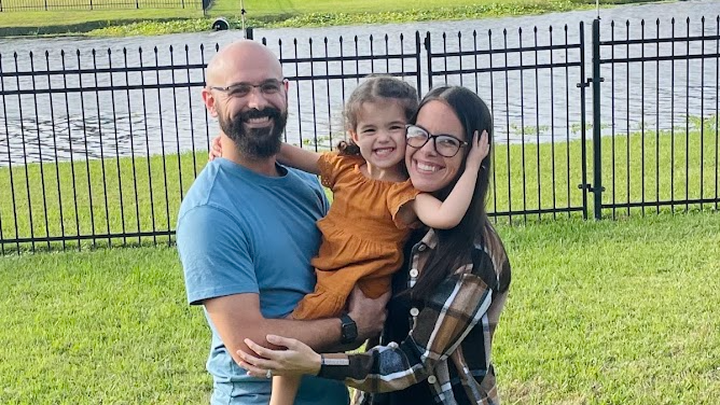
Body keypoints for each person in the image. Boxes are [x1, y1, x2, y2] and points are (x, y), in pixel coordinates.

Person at [209, 76, 489, 405]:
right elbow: (284, 153)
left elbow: (447, 216)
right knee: (297, 335)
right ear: (354, 135)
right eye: (370, 130)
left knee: (289, 336)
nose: (382, 138)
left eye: (395, 128)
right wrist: (228, 143)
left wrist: (473, 165)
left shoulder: (404, 195)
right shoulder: (345, 169)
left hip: (357, 281)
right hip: (332, 274)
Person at [176, 40, 389, 405]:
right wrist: (352, 327)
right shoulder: (210, 213)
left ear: (285, 91)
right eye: (238, 91)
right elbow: (248, 342)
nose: (257, 102)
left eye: (269, 87)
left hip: (330, 391)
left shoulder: (305, 182)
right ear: (211, 102)